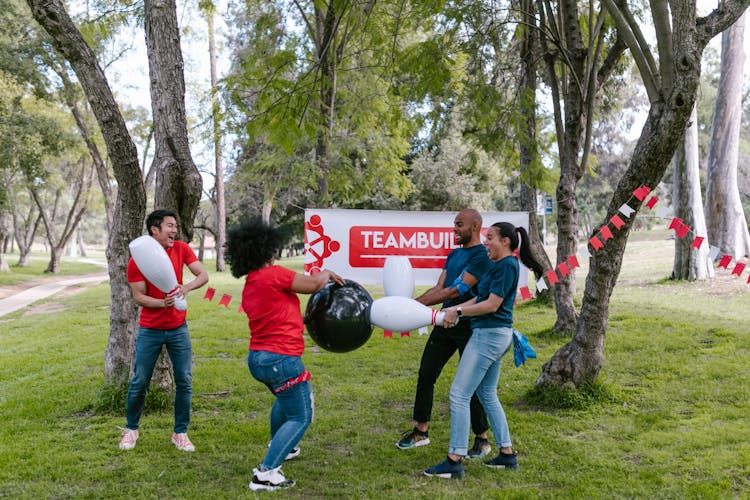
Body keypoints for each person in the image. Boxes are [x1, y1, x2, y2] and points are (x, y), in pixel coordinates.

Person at [225, 218, 345, 492]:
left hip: (260, 359)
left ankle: (282, 447)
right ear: (266, 248)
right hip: (281, 359)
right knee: (301, 417)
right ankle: (266, 473)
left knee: (284, 398)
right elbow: (313, 284)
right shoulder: (274, 274)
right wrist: (325, 273)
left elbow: (278, 314)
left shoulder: (252, 283)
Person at [423, 221, 543, 479]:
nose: (485, 241)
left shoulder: (508, 266)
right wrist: (451, 310)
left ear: (506, 242)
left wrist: (457, 310)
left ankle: (454, 460)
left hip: (489, 336)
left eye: (490, 237)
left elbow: (491, 305)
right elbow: (478, 299)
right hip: (492, 335)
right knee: (487, 393)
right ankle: (507, 454)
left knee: (458, 394)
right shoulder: (498, 265)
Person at [396, 209, 493, 459]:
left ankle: (482, 439)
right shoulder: (454, 254)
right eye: (454, 224)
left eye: (459, 224)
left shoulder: (482, 257)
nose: (454, 229)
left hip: (469, 325)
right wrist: (410, 306)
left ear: (475, 226)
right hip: (444, 322)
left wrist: (411, 307)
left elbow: (454, 291)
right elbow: (440, 287)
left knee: (471, 384)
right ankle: (420, 431)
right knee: (426, 372)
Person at [119, 209, 209, 452]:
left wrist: (186, 288)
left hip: (179, 328)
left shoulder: (181, 248)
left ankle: (180, 433)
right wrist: (163, 303)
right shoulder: (137, 260)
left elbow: (203, 275)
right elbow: (139, 297)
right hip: (150, 330)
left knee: (185, 381)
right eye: (169, 226)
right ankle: (131, 429)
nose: (174, 230)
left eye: (174, 225)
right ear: (154, 230)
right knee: (139, 381)